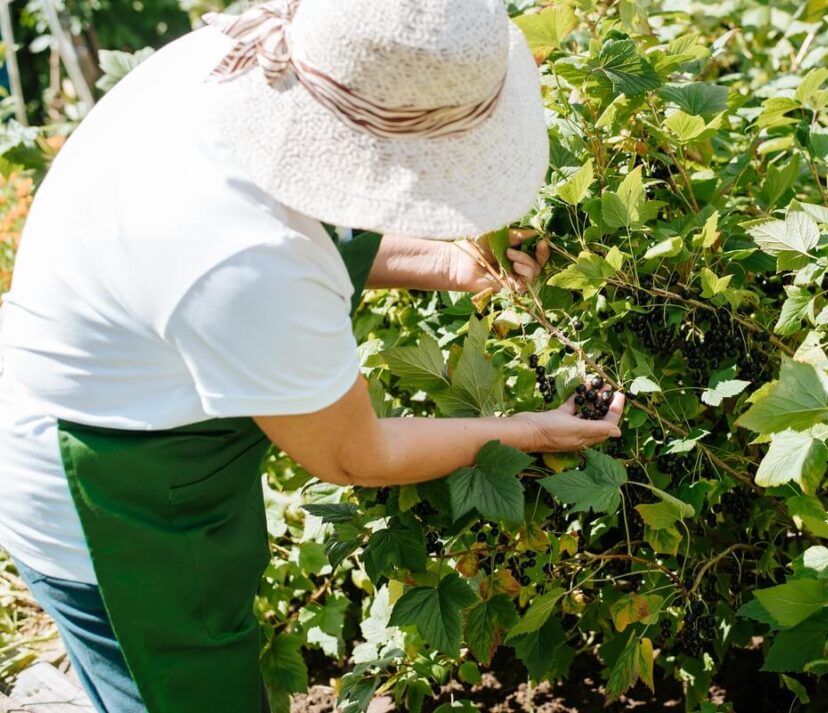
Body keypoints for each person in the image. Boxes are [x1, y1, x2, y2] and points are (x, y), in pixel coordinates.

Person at [0, 1, 625, 711]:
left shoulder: (245, 63)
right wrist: (533, 430)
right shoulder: (244, 260)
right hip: (113, 507)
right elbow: (357, 454)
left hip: (144, 414)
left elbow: (305, 212)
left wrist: (448, 263)